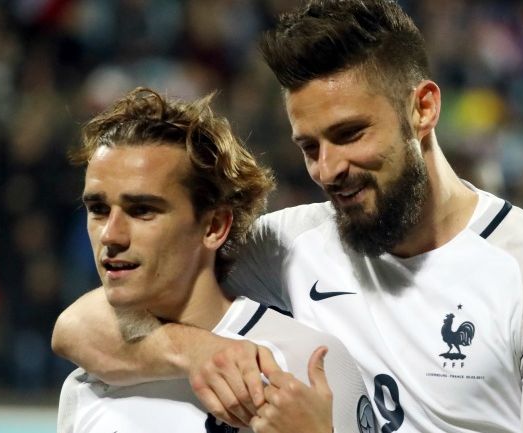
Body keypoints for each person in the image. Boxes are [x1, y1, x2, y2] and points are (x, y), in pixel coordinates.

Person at [53, 1, 523, 431]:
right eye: (310, 146)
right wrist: (198, 350)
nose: (329, 169)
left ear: (422, 108)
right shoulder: (285, 248)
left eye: (350, 134)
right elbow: (83, 326)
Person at [56, 87, 374, 433]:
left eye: (143, 210)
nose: (111, 235)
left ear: (214, 226)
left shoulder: (308, 362)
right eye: (98, 210)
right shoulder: (87, 383)